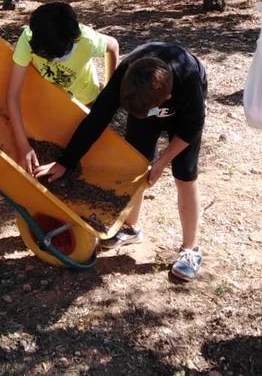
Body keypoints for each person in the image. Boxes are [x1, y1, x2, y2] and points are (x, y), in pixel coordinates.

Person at [36, 43, 208, 282]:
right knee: (135, 164)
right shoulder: (127, 78)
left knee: (184, 174)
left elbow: (193, 127)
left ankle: (191, 249)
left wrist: (162, 161)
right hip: (146, 102)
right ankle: (131, 227)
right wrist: (66, 161)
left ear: (166, 98)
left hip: (183, 115)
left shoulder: (187, 81)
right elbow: (95, 121)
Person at [5, 3, 119, 173]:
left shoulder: (87, 40)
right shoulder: (28, 39)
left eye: (63, 55)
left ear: (74, 38)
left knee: (80, 142)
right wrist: (23, 146)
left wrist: (111, 88)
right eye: (48, 56)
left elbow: (113, 46)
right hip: (51, 99)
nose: (57, 60)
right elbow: (12, 96)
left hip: (84, 98)